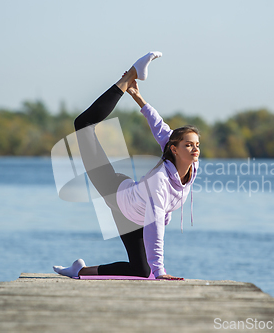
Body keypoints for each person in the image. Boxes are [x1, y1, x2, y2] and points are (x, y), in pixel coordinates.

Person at [53, 52, 200, 280]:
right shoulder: (160, 181)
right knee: (83, 125)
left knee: (141, 271)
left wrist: (139, 98)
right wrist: (160, 271)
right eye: (189, 145)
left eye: (196, 145)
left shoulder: (192, 167)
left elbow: (160, 128)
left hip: (132, 214)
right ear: (175, 149)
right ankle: (130, 74)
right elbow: (155, 230)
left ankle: (78, 271)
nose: (195, 149)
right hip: (115, 192)